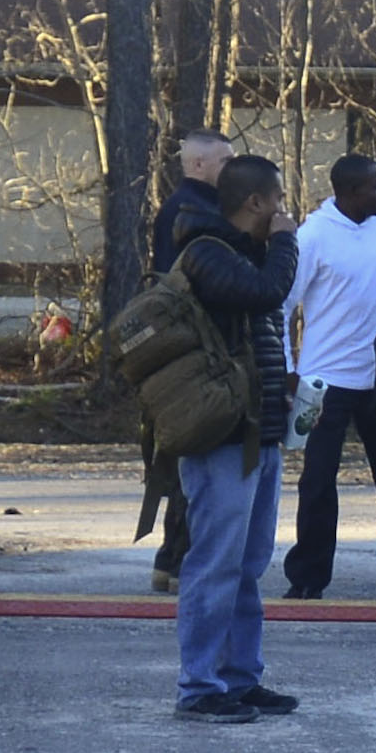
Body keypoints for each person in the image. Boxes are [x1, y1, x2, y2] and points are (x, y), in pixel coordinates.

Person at [168, 155, 301, 724]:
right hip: (222, 435)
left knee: (248, 565)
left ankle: (240, 677)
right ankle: (198, 687)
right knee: (215, 563)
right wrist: (288, 243)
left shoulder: (241, 254)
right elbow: (269, 293)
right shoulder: (205, 253)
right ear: (255, 203)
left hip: (260, 433)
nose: (283, 211)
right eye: (276, 201)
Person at [280, 153, 376, 601]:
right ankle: (308, 577)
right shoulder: (314, 235)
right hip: (322, 382)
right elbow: (283, 307)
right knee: (319, 479)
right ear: (348, 192)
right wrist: (288, 370)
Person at [145, 127, 234, 595]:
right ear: (198, 165)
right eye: (224, 161)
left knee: (188, 456)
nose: (231, 170)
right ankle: (182, 561)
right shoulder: (193, 211)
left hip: (188, 349)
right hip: (197, 350)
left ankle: (171, 557)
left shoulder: (185, 208)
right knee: (197, 456)